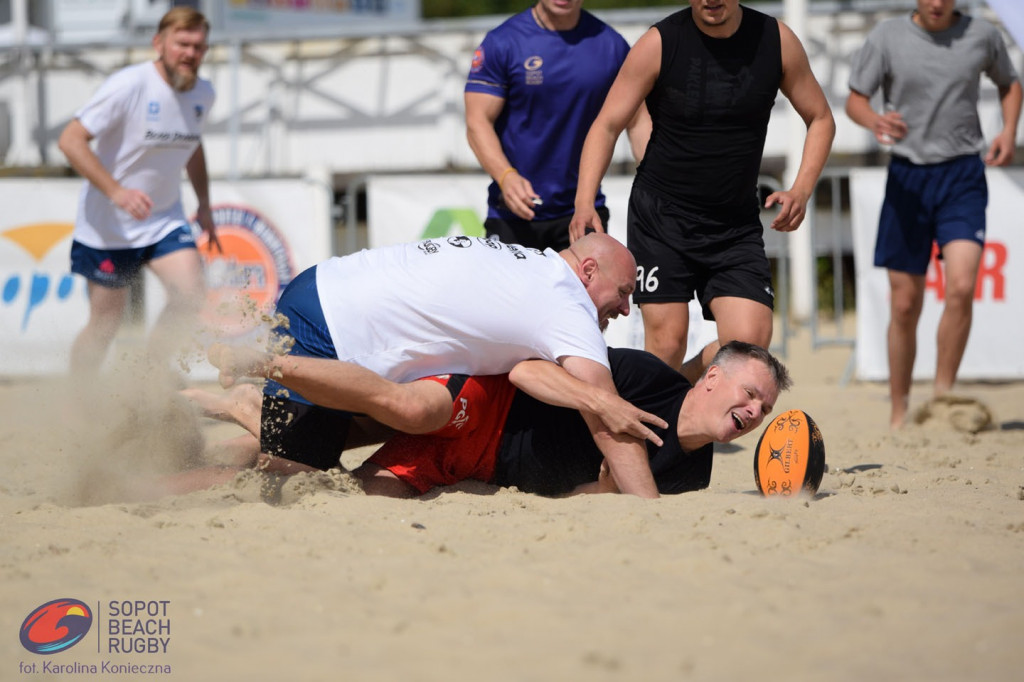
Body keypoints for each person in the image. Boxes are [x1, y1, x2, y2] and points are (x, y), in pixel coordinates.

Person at [211, 231, 668, 497]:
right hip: (331, 330)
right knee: (291, 488)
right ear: (588, 270)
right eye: (624, 292)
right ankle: (261, 378)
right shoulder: (569, 306)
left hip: (324, 288)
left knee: (275, 461)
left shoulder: (530, 264)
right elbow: (609, 419)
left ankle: (214, 424)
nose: (627, 308)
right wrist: (649, 507)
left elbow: (532, 375)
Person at [569, 0, 835, 384]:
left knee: (749, 350)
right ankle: (655, 424)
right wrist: (584, 200)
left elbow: (821, 118)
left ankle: (682, 387)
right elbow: (608, 124)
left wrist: (802, 189)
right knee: (666, 341)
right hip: (661, 216)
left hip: (734, 223)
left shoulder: (776, 40)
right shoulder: (659, 42)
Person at [180, 341, 791, 498]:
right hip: (487, 405)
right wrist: (598, 403)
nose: (754, 412)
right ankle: (258, 375)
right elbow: (528, 368)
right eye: (750, 393)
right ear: (712, 376)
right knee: (402, 407)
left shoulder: (696, 474)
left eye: (763, 410)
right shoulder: (641, 377)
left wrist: (607, 491)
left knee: (314, 482)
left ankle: (151, 479)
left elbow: (579, 497)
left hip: (473, 469)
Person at [845, 0, 1022, 429]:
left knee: (961, 287)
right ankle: (899, 411)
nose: (938, 3)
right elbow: (855, 101)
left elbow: (1010, 83)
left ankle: (943, 395)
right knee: (905, 304)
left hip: (963, 174)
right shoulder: (887, 37)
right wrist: (875, 122)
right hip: (907, 177)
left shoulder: (982, 35)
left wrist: (1008, 131)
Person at [58, 7, 219, 375]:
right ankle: (78, 398)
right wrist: (117, 192)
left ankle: (145, 380)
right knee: (105, 324)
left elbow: (192, 144)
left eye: (199, 46)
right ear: (158, 43)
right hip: (108, 227)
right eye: (183, 44)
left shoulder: (203, 93)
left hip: (163, 219)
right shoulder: (129, 84)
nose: (191, 53)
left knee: (191, 294)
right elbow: (70, 140)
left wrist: (205, 204)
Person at [465, 0, 651, 251]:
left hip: (584, 211)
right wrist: (506, 176)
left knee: (590, 292)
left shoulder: (611, 45)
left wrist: (659, 185)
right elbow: (477, 122)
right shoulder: (503, 42)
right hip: (514, 214)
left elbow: (639, 121)